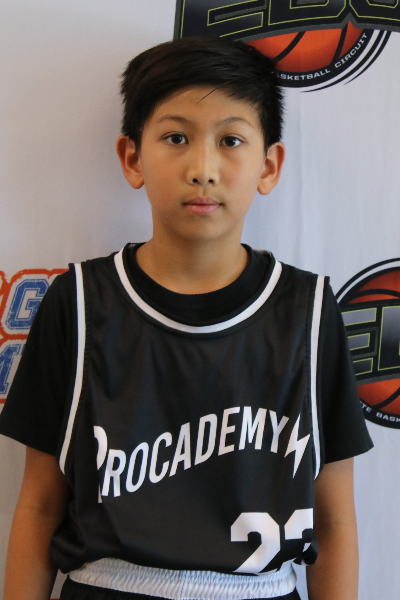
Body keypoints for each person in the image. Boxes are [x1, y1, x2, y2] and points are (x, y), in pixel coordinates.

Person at [0, 36, 373, 600]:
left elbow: (335, 518)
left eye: (230, 140)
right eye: (176, 138)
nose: (203, 168)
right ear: (133, 158)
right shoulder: (76, 303)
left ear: (269, 165)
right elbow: (40, 503)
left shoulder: (309, 312)